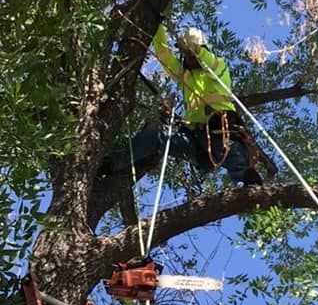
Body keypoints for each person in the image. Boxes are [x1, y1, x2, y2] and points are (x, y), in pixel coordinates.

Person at [100, 25, 264, 186]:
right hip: (196, 142)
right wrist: (158, 25)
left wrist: (197, 50)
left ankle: (250, 188)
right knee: (155, 136)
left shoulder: (219, 69)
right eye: (186, 54)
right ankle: (110, 164)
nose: (188, 57)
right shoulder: (185, 78)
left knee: (238, 165)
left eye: (192, 53)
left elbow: (210, 63)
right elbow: (164, 56)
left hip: (223, 133)